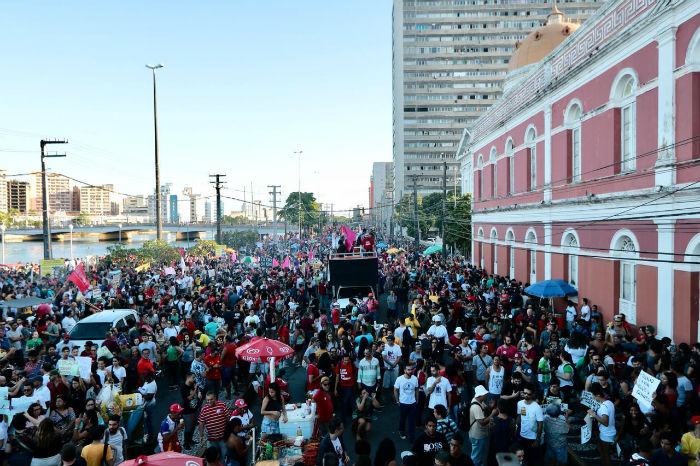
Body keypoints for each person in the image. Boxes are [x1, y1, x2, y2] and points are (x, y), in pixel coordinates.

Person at [469, 385, 498, 466]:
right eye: (485, 394)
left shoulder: (480, 402)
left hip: (481, 434)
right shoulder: (475, 406)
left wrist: (490, 407)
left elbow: (486, 410)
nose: (486, 396)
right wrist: (492, 414)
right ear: (480, 395)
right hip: (477, 435)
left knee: (480, 455)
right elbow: (482, 422)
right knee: (476, 457)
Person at [588, 383, 616, 466]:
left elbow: (605, 422)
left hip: (606, 434)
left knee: (606, 455)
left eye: (593, 395)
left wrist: (594, 415)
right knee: (601, 450)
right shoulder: (609, 402)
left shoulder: (604, 407)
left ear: (598, 395)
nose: (592, 397)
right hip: (607, 432)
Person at [514, 384, 543, 465]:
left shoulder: (536, 407)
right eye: (524, 393)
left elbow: (540, 424)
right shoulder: (520, 403)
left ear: (533, 394)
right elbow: (519, 416)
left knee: (532, 459)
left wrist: (537, 439)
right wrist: (516, 428)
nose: (526, 395)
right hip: (522, 436)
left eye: (528, 394)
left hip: (532, 438)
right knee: (523, 459)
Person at [198, 392, 231, 460]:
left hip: (223, 437)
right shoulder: (204, 409)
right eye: (207, 400)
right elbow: (201, 423)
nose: (209, 401)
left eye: (211, 399)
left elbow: (228, 418)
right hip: (211, 439)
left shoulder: (222, 405)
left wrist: (229, 432)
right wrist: (201, 436)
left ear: (215, 397)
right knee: (213, 458)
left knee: (224, 455)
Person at [394, 364, 419, 442]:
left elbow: (416, 389)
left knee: (412, 420)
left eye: (411, 369)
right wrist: (397, 401)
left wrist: (417, 400)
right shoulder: (399, 379)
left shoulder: (415, 379)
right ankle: (401, 431)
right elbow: (395, 390)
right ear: (404, 370)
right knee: (403, 419)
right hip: (403, 403)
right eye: (408, 369)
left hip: (412, 403)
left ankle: (412, 437)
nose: (410, 371)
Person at [181, 371, 200, 449]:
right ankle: (185, 443)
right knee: (188, 428)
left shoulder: (193, 384)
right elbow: (189, 398)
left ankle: (190, 440)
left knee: (193, 427)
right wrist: (195, 390)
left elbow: (198, 390)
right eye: (193, 377)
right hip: (188, 412)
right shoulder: (183, 388)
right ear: (188, 377)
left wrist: (198, 392)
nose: (194, 379)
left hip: (195, 409)